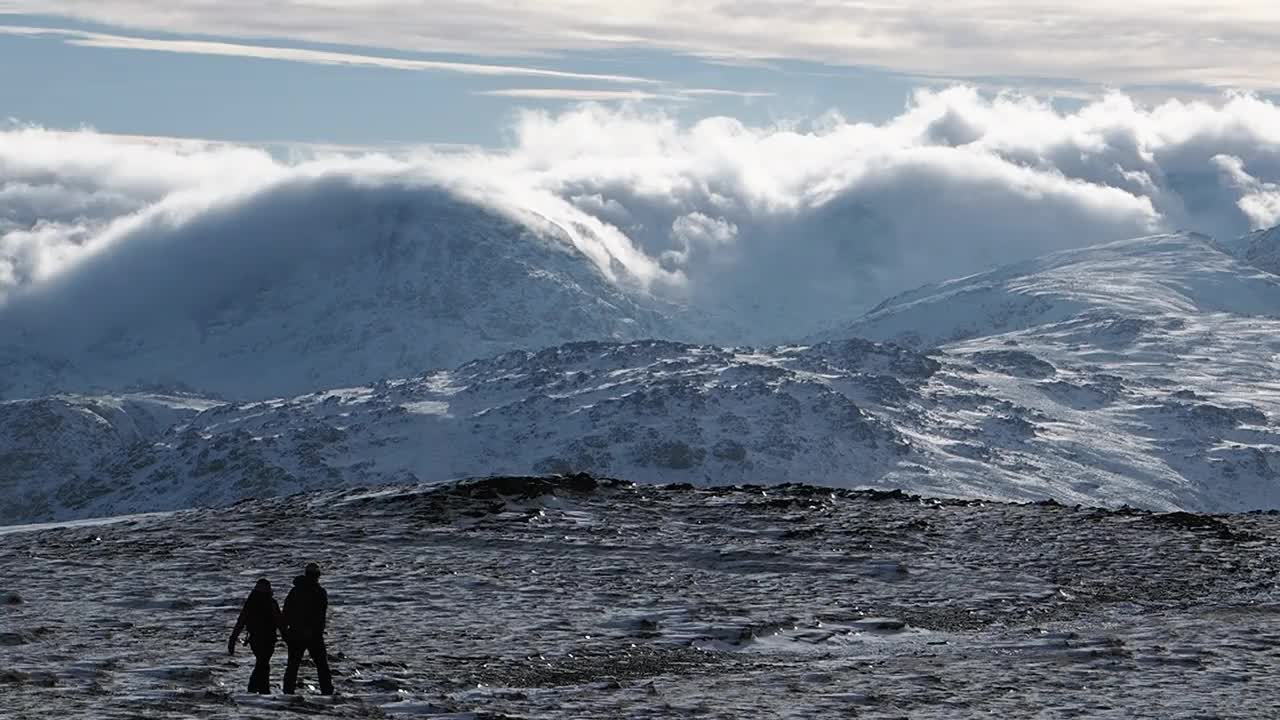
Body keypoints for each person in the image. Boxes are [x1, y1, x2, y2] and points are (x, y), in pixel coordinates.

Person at [227, 578, 286, 694]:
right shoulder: (269, 602)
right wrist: (286, 636)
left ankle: (259, 689)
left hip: (261, 639)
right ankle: (258, 689)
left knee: (262, 664)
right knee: (263, 664)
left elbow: (241, 621)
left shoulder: (252, 603)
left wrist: (233, 639)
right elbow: (279, 622)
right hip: (264, 638)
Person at [282, 562, 333, 695]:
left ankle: (288, 693)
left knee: (293, 666)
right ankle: (327, 692)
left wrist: (285, 632)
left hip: (297, 633)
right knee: (321, 665)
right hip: (313, 634)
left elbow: (286, 612)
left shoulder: (296, 591)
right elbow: (321, 615)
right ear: (317, 576)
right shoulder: (319, 592)